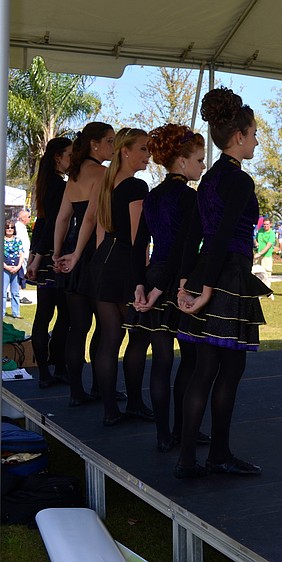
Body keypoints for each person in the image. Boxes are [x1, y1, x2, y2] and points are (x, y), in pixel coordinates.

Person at [174, 87, 268, 479]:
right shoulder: (238, 180)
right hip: (226, 277)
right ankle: (218, 454)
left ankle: (188, 459)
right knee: (229, 371)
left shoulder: (209, 179)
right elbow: (224, 233)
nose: (257, 141)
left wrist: (187, 282)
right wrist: (207, 288)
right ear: (239, 136)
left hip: (206, 274)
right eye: (254, 134)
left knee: (203, 371)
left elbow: (192, 235)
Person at [58, 127, 151, 426]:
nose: (148, 155)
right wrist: (142, 274)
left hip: (102, 263)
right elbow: (138, 238)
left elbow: (96, 226)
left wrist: (84, 258)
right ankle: (133, 403)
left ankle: (111, 409)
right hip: (122, 265)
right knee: (136, 336)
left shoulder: (107, 182)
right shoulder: (135, 187)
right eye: (143, 148)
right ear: (126, 151)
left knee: (110, 338)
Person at [123, 123, 206, 452]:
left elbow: (138, 246)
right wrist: (156, 289)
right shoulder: (190, 198)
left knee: (161, 362)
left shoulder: (153, 197)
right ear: (182, 161)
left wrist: (139, 286)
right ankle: (183, 430)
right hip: (177, 281)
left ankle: (163, 435)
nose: (203, 166)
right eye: (199, 160)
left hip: (154, 277)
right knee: (189, 359)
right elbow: (181, 248)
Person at [52, 122, 115, 407]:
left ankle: (77, 391)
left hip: (73, 253)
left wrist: (58, 253)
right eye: (110, 141)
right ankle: (101, 388)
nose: (113, 146)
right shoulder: (101, 173)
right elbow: (91, 217)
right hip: (91, 252)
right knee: (103, 325)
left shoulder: (74, 176)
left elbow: (63, 218)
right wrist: (79, 253)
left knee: (77, 327)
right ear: (94, 144)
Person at [26, 137, 73, 389]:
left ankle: (48, 370)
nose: (73, 160)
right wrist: (38, 257)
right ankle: (55, 367)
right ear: (58, 157)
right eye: (70, 155)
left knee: (47, 315)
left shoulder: (47, 184)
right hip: (56, 255)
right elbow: (53, 223)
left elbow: (43, 223)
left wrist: (34, 256)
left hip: (47, 255)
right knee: (63, 314)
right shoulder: (59, 186)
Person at [4, 221, 25, 320]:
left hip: (16, 268)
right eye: (7, 227)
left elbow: (21, 255)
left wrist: (18, 267)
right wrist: (6, 266)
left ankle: (16, 313)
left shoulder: (18, 240)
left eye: (12, 227)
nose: (10, 229)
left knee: (15, 292)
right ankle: (2, 313)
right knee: (3, 293)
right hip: (5, 268)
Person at [255, 219, 276, 299]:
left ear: (270, 224)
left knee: (267, 274)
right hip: (258, 256)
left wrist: (260, 253)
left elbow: (268, 246)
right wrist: (256, 243)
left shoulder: (272, 234)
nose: (265, 226)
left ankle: (268, 292)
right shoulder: (260, 231)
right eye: (264, 224)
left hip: (266, 256)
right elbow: (255, 238)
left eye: (267, 224)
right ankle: (259, 292)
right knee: (258, 274)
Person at [14, 209, 32, 301]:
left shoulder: (22, 227)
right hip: (20, 256)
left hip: (24, 256)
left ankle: (19, 295)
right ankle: (17, 295)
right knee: (19, 276)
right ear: (23, 218)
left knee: (22, 275)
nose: (30, 219)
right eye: (29, 217)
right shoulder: (18, 228)